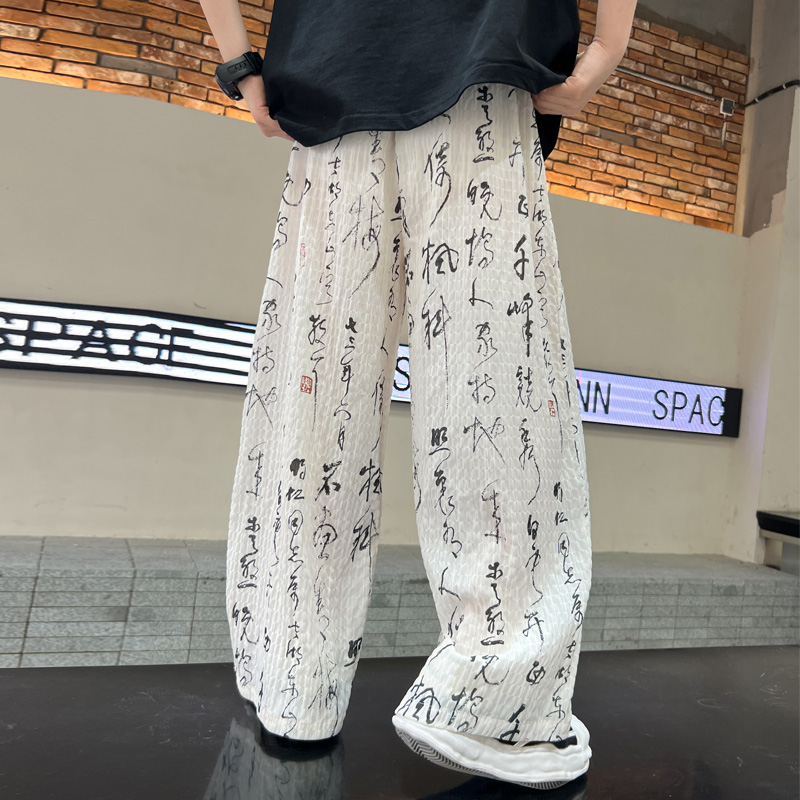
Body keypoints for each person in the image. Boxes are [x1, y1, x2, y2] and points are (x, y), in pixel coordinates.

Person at [197, 0, 637, 790]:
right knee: (496, 394)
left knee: (317, 400)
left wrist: (239, 62)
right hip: (469, 65)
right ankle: (497, 698)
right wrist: (607, 46)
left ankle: (295, 680)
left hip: (340, 70)